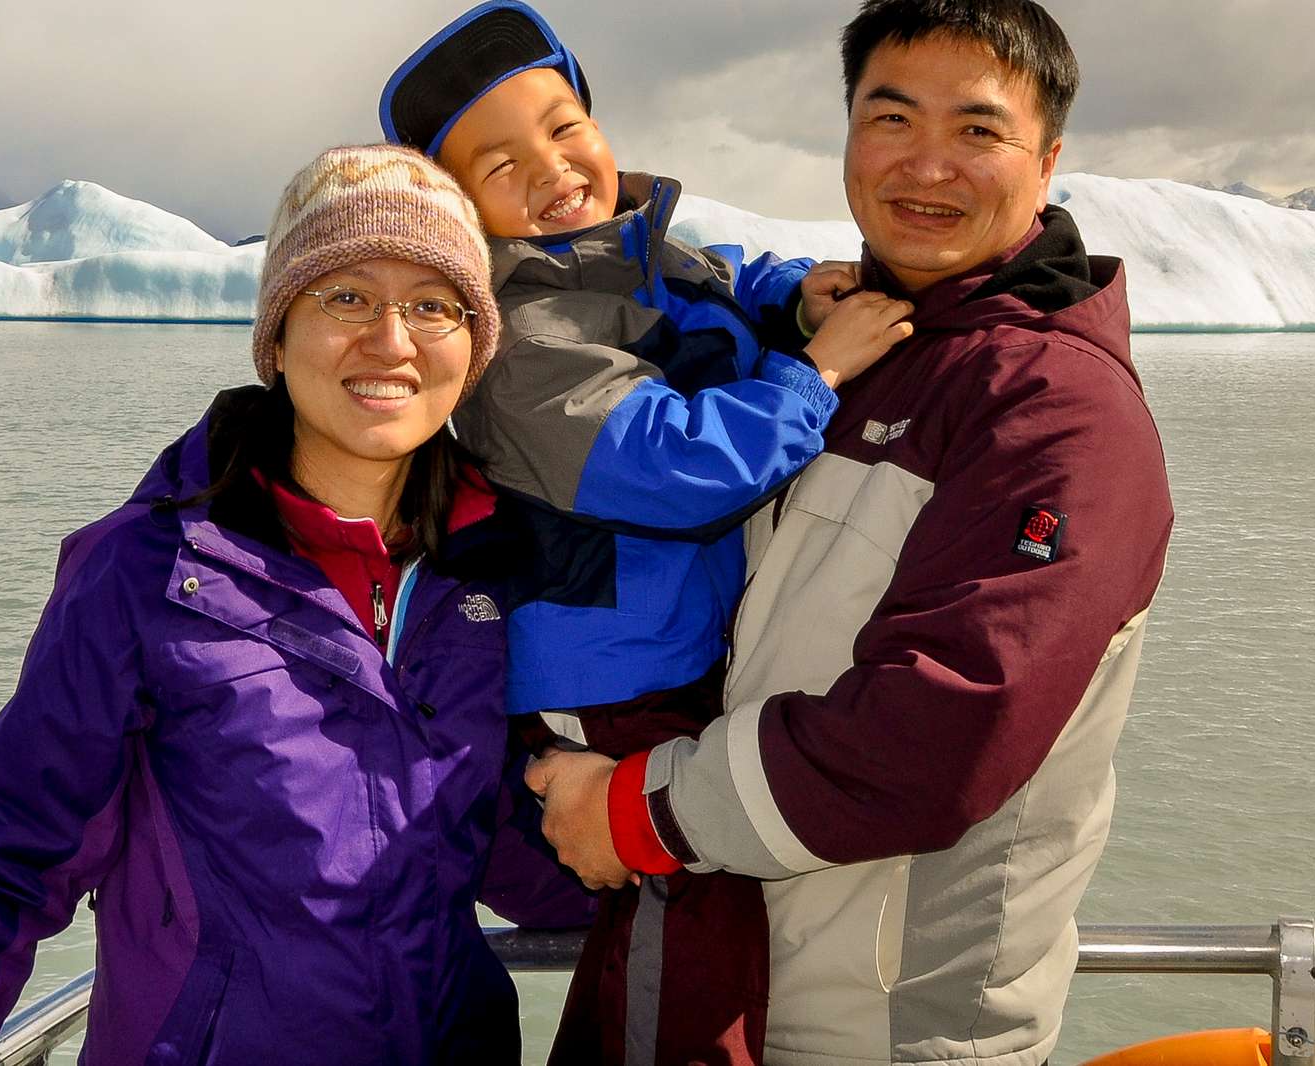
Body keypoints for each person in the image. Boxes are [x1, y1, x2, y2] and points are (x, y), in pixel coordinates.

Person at [0, 144, 589, 1066]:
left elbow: (506, 842)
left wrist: (668, 830)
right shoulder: (144, 573)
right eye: (345, 296)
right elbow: (4, 873)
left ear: (473, 343)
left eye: (431, 304)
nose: (391, 339)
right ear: (278, 335)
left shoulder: (489, 570)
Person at [528, 2, 1176, 1065]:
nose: (926, 166)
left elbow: (942, 724)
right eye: (891, 118)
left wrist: (641, 811)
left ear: (1047, 160)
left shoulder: (1054, 409)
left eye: (976, 130)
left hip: (882, 1029)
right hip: (717, 985)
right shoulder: (853, 347)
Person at [381, 3, 916, 1063]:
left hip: (673, 656)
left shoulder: (629, 254)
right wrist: (816, 374)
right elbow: (680, 472)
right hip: (601, 682)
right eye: (500, 164)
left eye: (562, 125)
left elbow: (714, 283)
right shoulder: (521, 342)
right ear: (460, 211)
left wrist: (795, 299)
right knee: (687, 904)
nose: (552, 168)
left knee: (680, 911)